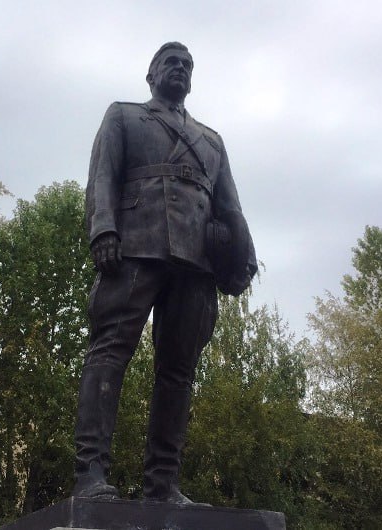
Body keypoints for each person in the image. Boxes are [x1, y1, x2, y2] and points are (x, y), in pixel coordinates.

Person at [73, 41, 257, 505]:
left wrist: (244, 258)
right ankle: (91, 473)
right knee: (109, 352)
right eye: (170, 62)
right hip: (135, 246)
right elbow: (102, 177)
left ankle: (162, 484)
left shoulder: (211, 141)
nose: (180, 68)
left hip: (196, 262)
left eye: (187, 65)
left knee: (178, 373)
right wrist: (103, 230)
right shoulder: (125, 116)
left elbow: (230, 206)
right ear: (151, 74)